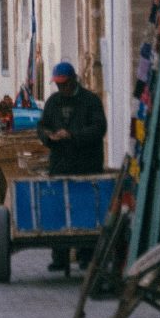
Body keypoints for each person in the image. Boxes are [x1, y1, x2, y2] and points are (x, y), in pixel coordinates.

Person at [37, 60, 109, 272]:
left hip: (86, 164)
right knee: (58, 209)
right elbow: (42, 125)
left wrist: (73, 135)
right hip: (60, 164)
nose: (61, 88)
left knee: (86, 209)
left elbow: (98, 128)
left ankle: (86, 255)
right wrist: (48, 137)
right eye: (58, 84)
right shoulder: (52, 102)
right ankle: (60, 256)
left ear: (73, 81)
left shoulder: (90, 101)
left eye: (64, 84)